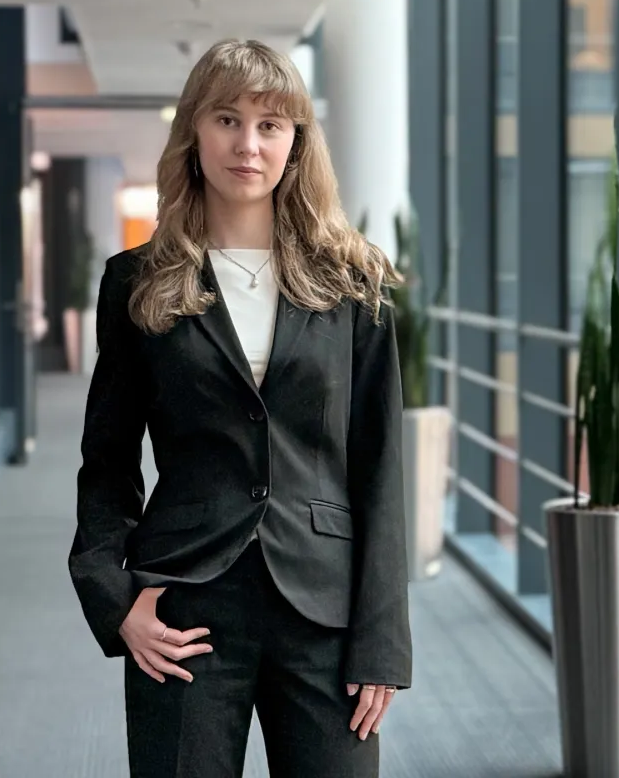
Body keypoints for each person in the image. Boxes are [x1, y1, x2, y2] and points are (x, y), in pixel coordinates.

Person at [67, 38, 411, 778]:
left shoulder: (354, 284)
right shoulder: (136, 282)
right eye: (227, 119)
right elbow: (107, 460)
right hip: (185, 606)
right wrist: (115, 598)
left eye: (270, 124)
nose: (247, 144)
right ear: (194, 131)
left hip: (324, 612)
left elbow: (381, 467)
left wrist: (383, 641)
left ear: (296, 142)